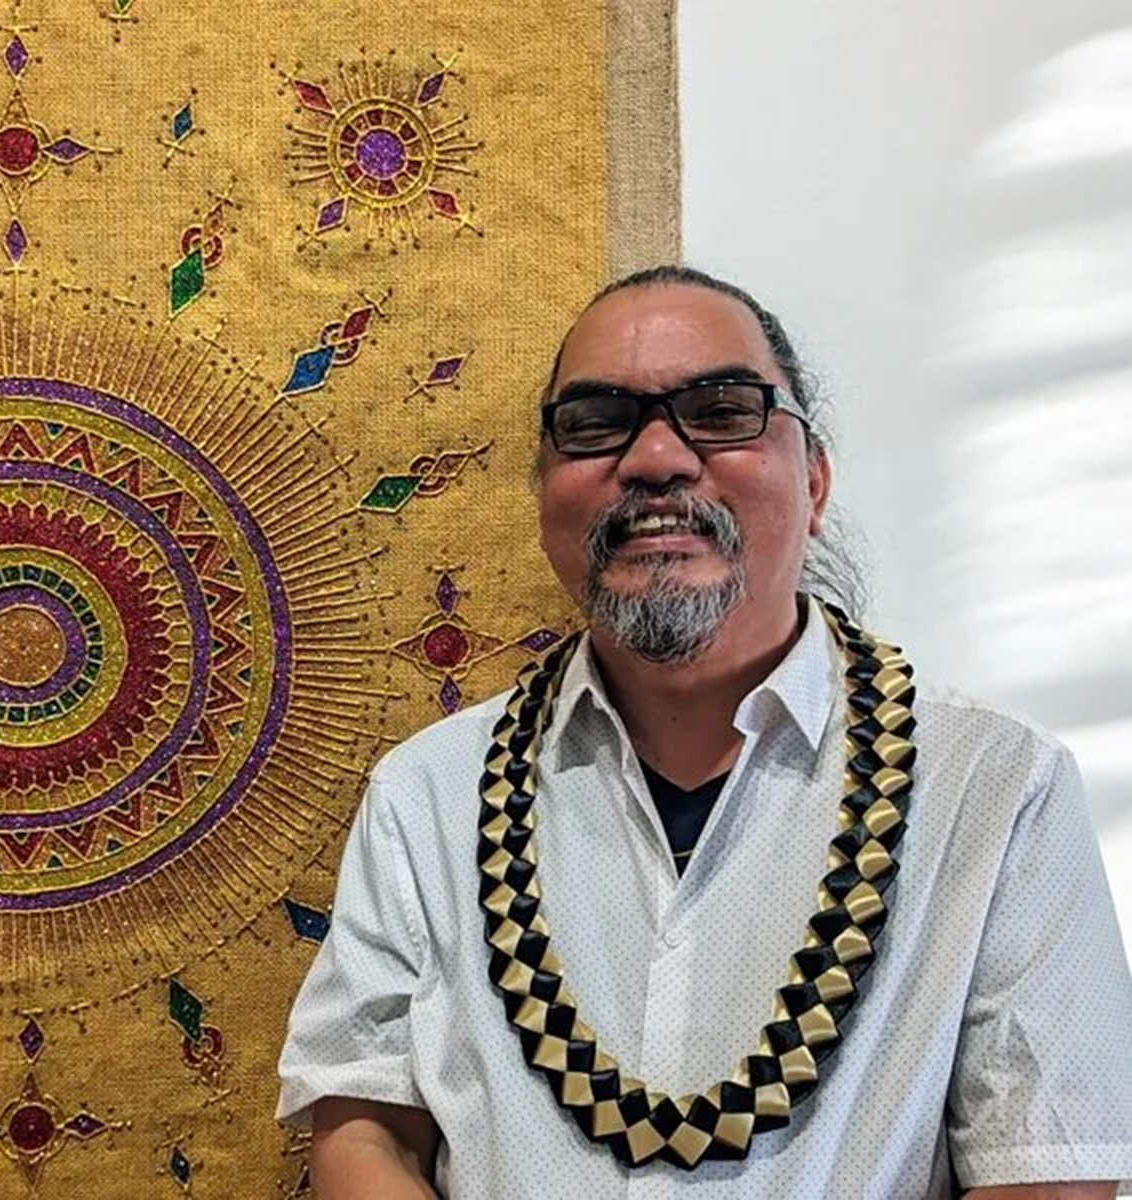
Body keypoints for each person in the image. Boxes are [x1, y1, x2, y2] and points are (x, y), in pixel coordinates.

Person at [275, 266, 1132, 1198]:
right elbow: (366, 1135)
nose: (654, 460)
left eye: (722, 410)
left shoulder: (998, 790)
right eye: (596, 421)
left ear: (814, 481)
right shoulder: (428, 797)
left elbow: (1049, 1174)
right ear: (541, 496)